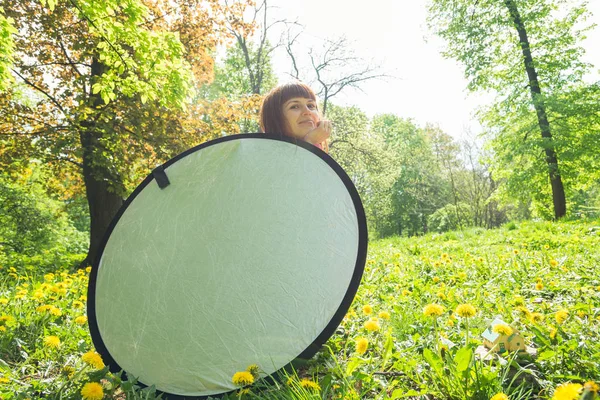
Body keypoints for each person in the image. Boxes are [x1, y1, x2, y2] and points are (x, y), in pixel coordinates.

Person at [259, 82, 331, 153]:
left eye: (310, 106)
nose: (307, 111)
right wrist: (309, 143)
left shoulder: (319, 149)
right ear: (275, 118)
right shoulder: (265, 154)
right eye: (295, 106)